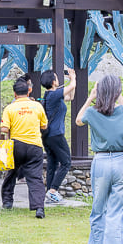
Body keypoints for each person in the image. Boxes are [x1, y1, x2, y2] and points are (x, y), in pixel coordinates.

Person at [76, 74, 123, 244]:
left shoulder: (92, 112)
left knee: (98, 208)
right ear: (117, 92)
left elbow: (78, 120)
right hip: (121, 163)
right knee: (118, 211)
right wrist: (119, 96)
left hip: (100, 162)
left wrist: (91, 97)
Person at [0, 76, 49, 218]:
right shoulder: (37, 106)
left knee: (12, 174)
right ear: (29, 91)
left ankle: (7, 202)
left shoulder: (10, 108)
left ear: (14, 93)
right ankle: (39, 207)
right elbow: (44, 125)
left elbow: (4, 129)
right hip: (35, 146)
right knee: (35, 178)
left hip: (16, 146)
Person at [40, 67, 76, 204]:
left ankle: (49, 193)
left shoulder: (53, 96)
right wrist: (72, 78)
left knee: (52, 164)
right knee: (66, 162)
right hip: (56, 135)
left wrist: (73, 82)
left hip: (48, 136)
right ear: (54, 82)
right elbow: (72, 85)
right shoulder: (53, 95)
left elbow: (71, 96)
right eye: (56, 77)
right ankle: (53, 190)